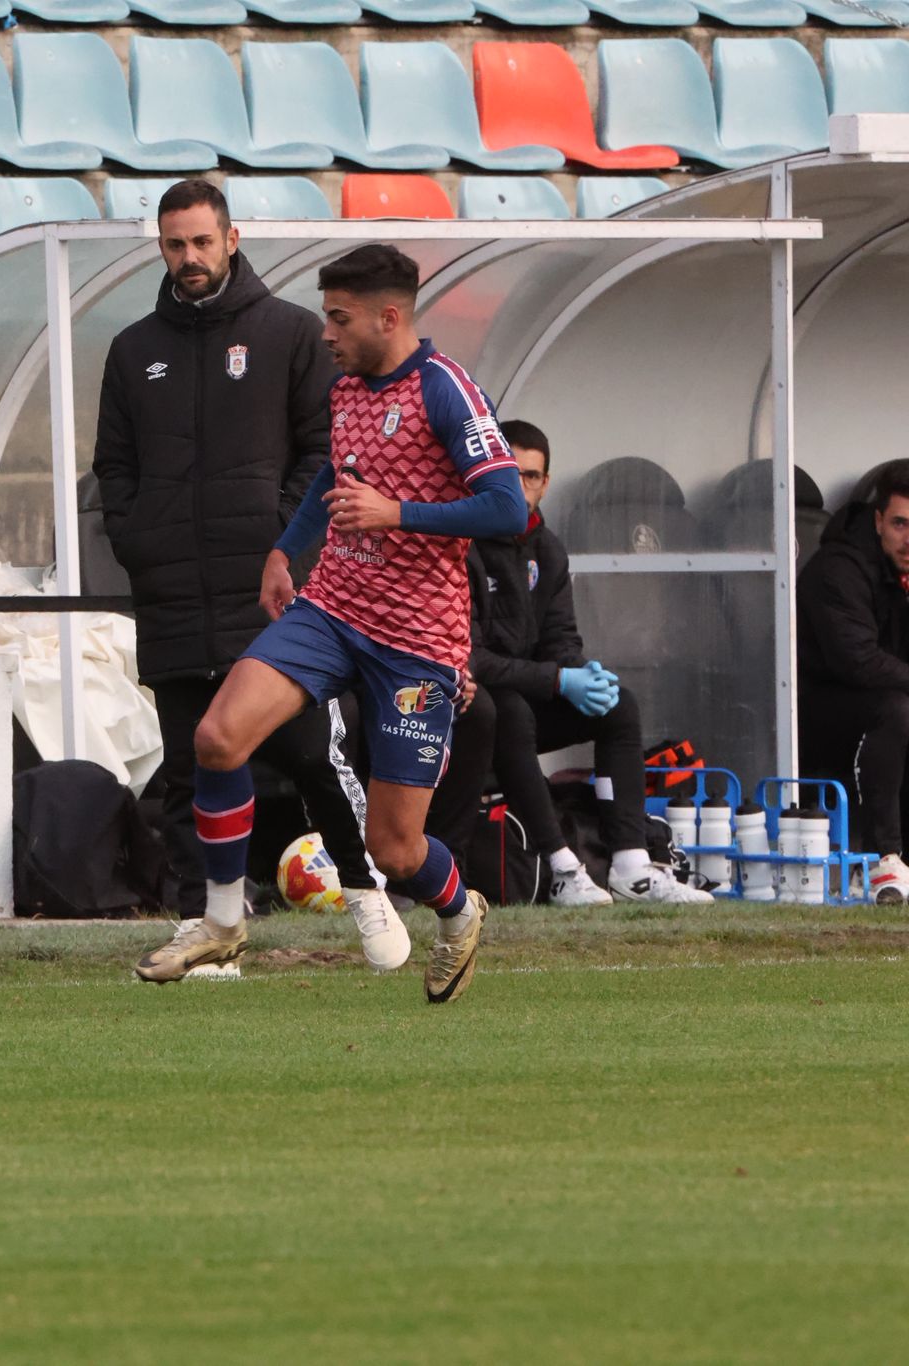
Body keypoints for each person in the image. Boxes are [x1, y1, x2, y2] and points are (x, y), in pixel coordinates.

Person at [133, 243, 526, 1003]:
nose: (326, 333)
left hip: (416, 642)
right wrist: (287, 551)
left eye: (339, 318)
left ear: (389, 316)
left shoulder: (445, 390)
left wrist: (398, 513)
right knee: (218, 737)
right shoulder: (347, 387)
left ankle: (458, 911)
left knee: (397, 847)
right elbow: (332, 475)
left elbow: (508, 506)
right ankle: (219, 921)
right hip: (334, 606)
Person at [90, 178, 394, 971]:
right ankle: (209, 935)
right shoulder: (133, 350)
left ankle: (368, 900)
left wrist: (284, 551)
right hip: (174, 598)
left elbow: (325, 458)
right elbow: (112, 472)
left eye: (200, 241)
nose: (187, 257)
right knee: (192, 766)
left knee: (307, 755)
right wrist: (142, 543)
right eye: (172, 244)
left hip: (274, 598)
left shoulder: (292, 335)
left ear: (232, 239)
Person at [461, 420, 711, 905]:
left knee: (619, 705)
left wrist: (581, 672)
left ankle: (632, 865)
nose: (521, 486)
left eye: (531, 476)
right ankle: (561, 868)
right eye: (510, 472)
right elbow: (467, 657)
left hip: (531, 694)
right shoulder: (462, 545)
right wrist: (558, 678)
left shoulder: (547, 549)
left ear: (545, 483)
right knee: (507, 709)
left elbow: (560, 637)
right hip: (471, 706)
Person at [798, 458, 909, 903]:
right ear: (878, 520)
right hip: (812, 715)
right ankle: (886, 859)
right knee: (896, 709)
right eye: (901, 524)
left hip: (883, 706)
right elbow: (857, 663)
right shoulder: (839, 568)